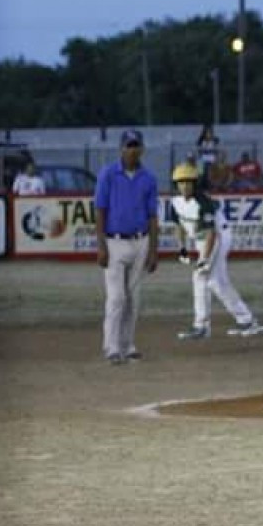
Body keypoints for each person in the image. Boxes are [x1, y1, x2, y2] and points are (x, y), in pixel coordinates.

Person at [169, 163, 263, 340]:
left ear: (195, 183)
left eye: (188, 182)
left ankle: (210, 325)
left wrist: (204, 259)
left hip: (217, 236)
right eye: (181, 182)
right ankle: (239, 320)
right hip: (201, 239)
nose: (185, 186)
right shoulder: (176, 202)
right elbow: (179, 225)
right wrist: (182, 248)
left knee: (205, 278)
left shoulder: (204, 202)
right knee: (212, 280)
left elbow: (212, 233)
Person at [95, 129, 159, 365]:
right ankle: (111, 347)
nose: (132, 150)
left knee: (134, 298)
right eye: (128, 145)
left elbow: (153, 216)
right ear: (121, 148)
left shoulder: (148, 178)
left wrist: (154, 250)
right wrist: (100, 245)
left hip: (140, 240)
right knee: (116, 297)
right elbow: (100, 210)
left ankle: (128, 344)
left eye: (136, 145)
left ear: (141, 148)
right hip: (114, 241)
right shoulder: (108, 175)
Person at [196, 124, 221, 189]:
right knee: (200, 169)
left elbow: (216, 151)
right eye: (207, 133)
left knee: (210, 172)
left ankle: (211, 186)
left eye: (210, 133)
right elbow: (199, 152)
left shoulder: (215, 141)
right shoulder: (201, 141)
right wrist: (204, 149)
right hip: (203, 160)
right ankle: (200, 186)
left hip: (211, 160)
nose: (208, 134)